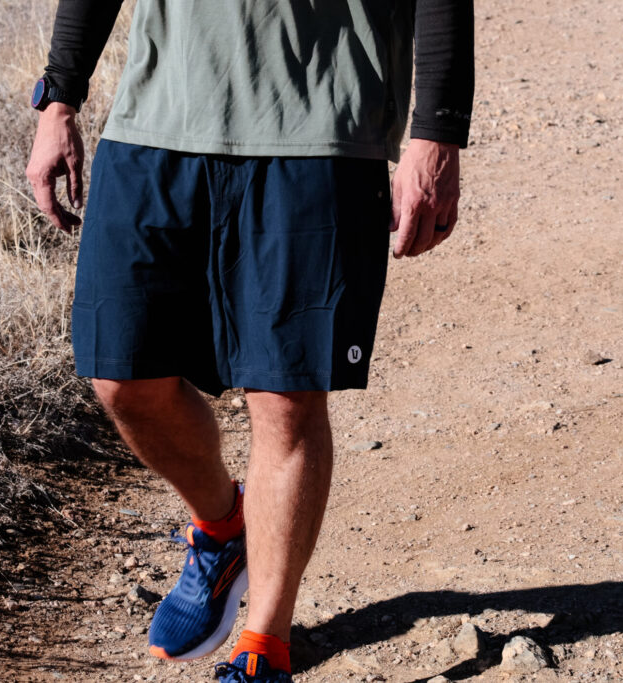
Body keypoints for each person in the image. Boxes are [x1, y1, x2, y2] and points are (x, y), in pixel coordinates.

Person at [26, 2, 474, 680]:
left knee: (286, 397)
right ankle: (222, 526)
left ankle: (265, 644)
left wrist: (436, 128)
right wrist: (60, 94)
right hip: (159, 113)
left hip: (323, 119)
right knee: (120, 372)